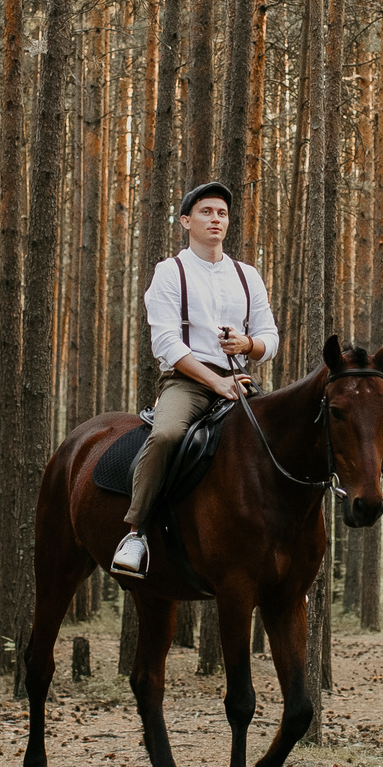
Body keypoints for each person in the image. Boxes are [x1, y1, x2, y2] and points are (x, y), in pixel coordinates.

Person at [110, 181, 279, 578]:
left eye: (221, 213)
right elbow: (166, 343)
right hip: (187, 381)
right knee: (167, 434)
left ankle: (278, 546)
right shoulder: (170, 272)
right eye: (206, 212)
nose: (215, 219)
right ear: (186, 221)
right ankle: (136, 533)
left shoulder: (247, 275)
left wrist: (248, 343)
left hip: (240, 381)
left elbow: (270, 338)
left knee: (279, 441)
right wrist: (215, 383)